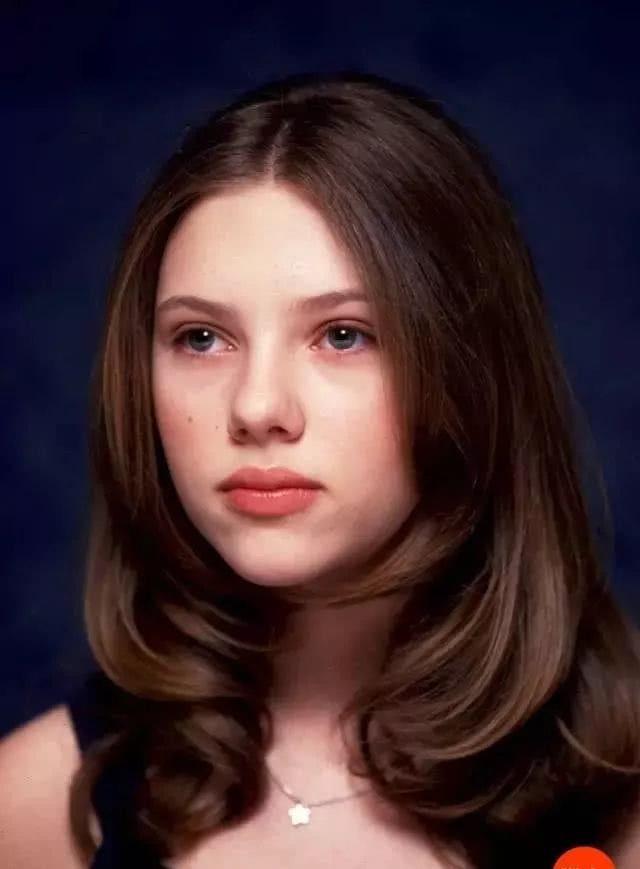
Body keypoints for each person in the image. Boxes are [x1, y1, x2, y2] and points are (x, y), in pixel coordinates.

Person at [1, 70, 640, 869]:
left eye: (343, 334)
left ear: (472, 373)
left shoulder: (621, 795)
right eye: (201, 338)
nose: (257, 406)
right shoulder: (33, 808)